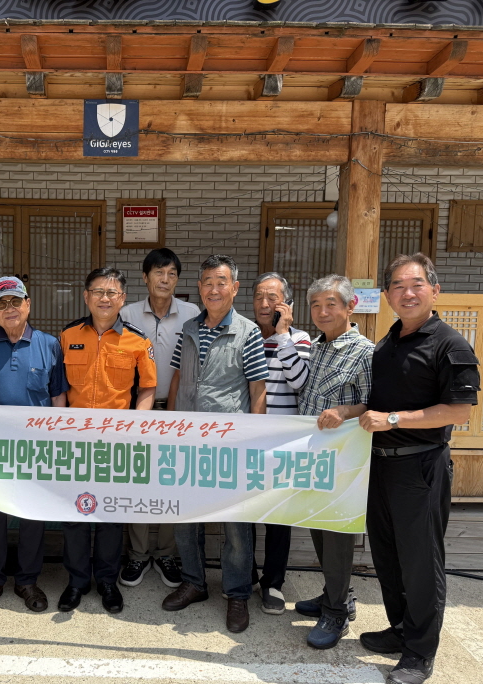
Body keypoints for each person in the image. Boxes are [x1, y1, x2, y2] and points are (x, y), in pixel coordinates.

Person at [358, 254, 479, 684]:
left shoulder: (450, 344)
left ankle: (420, 653)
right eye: (397, 285)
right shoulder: (387, 343)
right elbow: (374, 403)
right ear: (387, 295)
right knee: (387, 555)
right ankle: (401, 629)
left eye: (416, 284)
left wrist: (393, 419)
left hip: (421, 467)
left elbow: (459, 411)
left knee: (421, 562)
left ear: (434, 290)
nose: (407, 293)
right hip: (380, 467)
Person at [163, 255, 269, 634]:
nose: (213, 289)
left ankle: (236, 592)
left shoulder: (248, 332)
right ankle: (194, 582)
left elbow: (258, 389)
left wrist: (255, 438)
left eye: (221, 282)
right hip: (187, 440)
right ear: (200, 287)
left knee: (236, 524)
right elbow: (177, 378)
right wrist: (170, 426)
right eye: (207, 282)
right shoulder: (189, 329)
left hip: (231, 445)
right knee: (185, 516)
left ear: (234, 288)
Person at [0, 276, 67, 616]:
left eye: (15, 301)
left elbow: (58, 396)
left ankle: (27, 580)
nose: (9, 309)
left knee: (31, 516)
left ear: (28, 305)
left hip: (36, 448)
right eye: (1, 303)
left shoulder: (49, 344)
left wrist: (59, 440)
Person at [58, 267, 157, 614]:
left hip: (116, 444)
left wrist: (136, 427)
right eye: (98, 292)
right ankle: (76, 581)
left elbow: (147, 388)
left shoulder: (138, 340)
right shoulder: (67, 335)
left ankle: (107, 581)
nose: (104, 298)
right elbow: (59, 388)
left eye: (111, 292)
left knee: (111, 516)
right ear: (86, 296)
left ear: (122, 299)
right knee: (75, 514)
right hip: (74, 442)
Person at [292, 274, 373, 650]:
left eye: (331, 304)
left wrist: (344, 411)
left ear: (350, 306)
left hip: (343, 459)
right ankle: (335, 594)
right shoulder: (317, 347)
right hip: (313, 457)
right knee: (317, 526)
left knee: (338, 533)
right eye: (316, 305)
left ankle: (336, 613)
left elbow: (373, 403)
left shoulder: (365, 352)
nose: (322, 312)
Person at [118, 248, 198, 590]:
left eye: (171, 274)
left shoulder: (192, 314)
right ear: (145, 277)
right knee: (136, 480)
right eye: (158, 273)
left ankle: (166, 552)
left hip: (178, 410)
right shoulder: (126, 313)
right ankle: (137, 554)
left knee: (171, 481)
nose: (165, 280)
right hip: (137, 409)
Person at [249, 271, 311, 616]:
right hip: (247, 439)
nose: (264, 303)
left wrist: (283, 335)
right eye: (259, 296)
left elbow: (299, 382)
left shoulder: (299, 339)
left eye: (272, 297)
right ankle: (246, 575)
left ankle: (273, 583)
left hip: (284, 442)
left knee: (278, 516)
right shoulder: (245, 336)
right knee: (244, 512)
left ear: (286, 304)